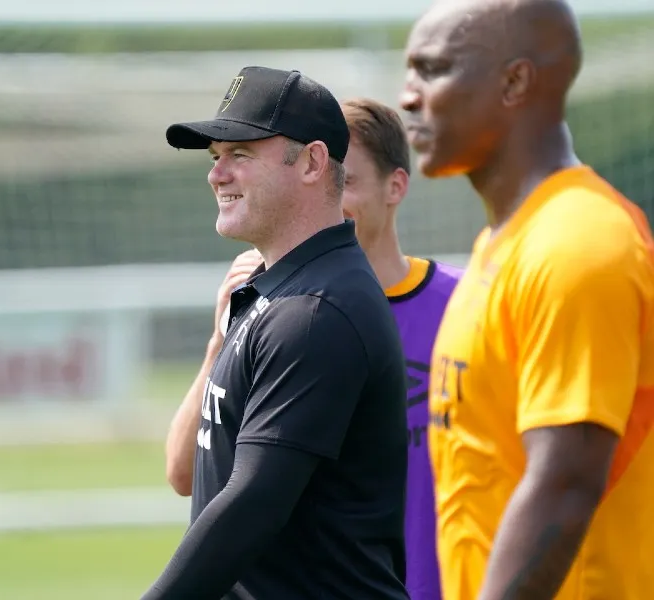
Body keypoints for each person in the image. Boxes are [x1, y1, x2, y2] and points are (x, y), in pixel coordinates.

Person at [400, 0, 654, 598]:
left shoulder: (578, 243)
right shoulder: (502, 243)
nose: (408, 97)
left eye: (433, 70)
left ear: (515, 82)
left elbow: (564, 483)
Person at [165, 96, 462, 600]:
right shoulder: (266, 298)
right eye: (217, 157)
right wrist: (221, 338)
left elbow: (252, 503)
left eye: (240, 153)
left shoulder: (323, 310)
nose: (218, 175)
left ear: (314, 164)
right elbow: (188, 474)